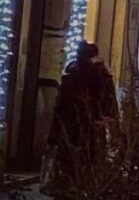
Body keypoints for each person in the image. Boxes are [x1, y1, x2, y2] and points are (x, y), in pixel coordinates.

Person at [48, 42, 119, 190]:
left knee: (72, 174)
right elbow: (111, 109)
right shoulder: (101, 77)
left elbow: (60, 110)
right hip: (85, 133)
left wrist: (53, 137)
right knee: (87, 174)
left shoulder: (72, 77)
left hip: (73, 134)